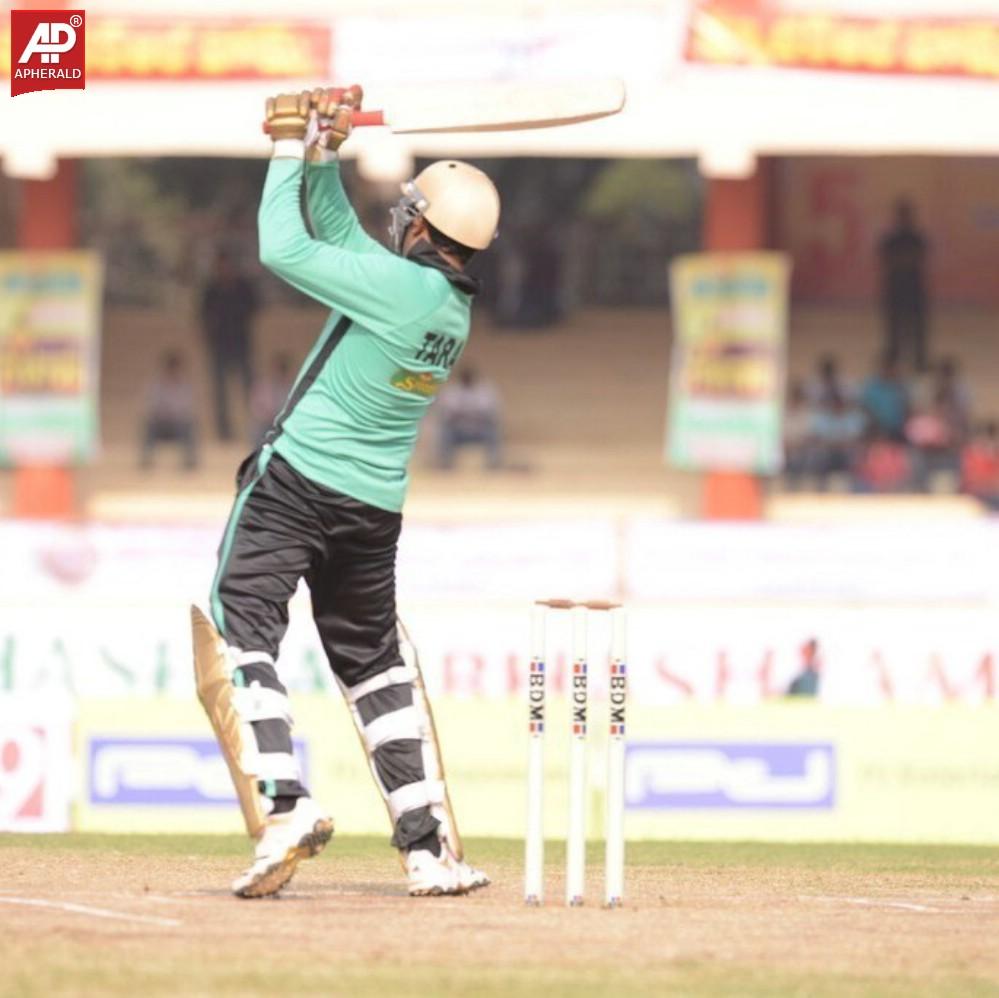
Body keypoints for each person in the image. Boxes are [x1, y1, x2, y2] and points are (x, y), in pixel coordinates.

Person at [196, 86, 499, 900]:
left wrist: (288, 145)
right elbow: (335, 231)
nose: (394, 219)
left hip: (295, 484)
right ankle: (427, 852)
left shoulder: (396, 289)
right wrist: (328, 150)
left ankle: (285, 806)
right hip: (373, 508)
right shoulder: (436, 301)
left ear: (424, 228)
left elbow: (284, 249)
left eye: (406, 212)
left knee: (240, 632)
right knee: (375, 669)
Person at [200, 251, 259, 441]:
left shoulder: (243, 287)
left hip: (241, 343)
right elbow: (203, 316)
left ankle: (255, 427)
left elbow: (254, 309)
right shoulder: (211, 289)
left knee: (250, 388)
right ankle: (224, 432)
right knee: (220, 393)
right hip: (219, 345)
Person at [879, 198, 929, 371]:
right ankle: (893, 361)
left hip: (914, 287)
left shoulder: (918, 237)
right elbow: (885, 259)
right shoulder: (890, 238)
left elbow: (921, 257)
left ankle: (919, 361)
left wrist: (904, 261)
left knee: (917, 327)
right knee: (894, 327)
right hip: (895, 287)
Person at [435, 367, 503, 469]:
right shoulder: (452, 391)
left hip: (479, 430)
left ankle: (494, 463)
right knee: (445, 431)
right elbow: (446, 414)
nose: (467, 378)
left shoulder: (484, 391)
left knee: (492, 431)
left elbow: (490, 412)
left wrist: (467, 414)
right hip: (458, 431)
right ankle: (445, 463)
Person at [140, 351, 198, 470]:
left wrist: (175, 415)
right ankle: (146, 458)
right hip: (161, 424)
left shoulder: (185, 386)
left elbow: (187, 409)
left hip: (178, 425)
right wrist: (162, 414)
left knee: (189, 425)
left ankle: (190, 460)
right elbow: (151, 406)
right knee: (149, 425)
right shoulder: (157, 385)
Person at [249, 352, 295, 448]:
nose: (279, 373)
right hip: (266, 425)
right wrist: (268, 416)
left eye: (282, 369)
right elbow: (256, 409)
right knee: (258, 431)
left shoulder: (292, 389)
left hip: (285, 425)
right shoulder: (263, 387)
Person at [860, 355, 908, 441]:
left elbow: (906, 406)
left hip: (898, 430)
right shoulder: (871, 386)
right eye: (886, 368)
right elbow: (865, 407)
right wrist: (876, 425)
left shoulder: (901, 386)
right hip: (877, 430)